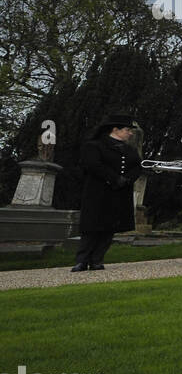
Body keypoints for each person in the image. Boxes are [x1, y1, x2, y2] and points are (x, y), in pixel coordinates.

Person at [72, 112, 142, 272]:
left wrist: (128, 179)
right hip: (98, 192)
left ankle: (97, 259)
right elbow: (93, 165)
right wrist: (114, 178)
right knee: (92, 227)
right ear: (115, 129)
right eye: (127, 130)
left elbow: (137, 166)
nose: (130, 133)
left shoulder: (130, 149)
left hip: (119, 194)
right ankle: (82, 260)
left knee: (109, 228)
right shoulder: (94, 145)